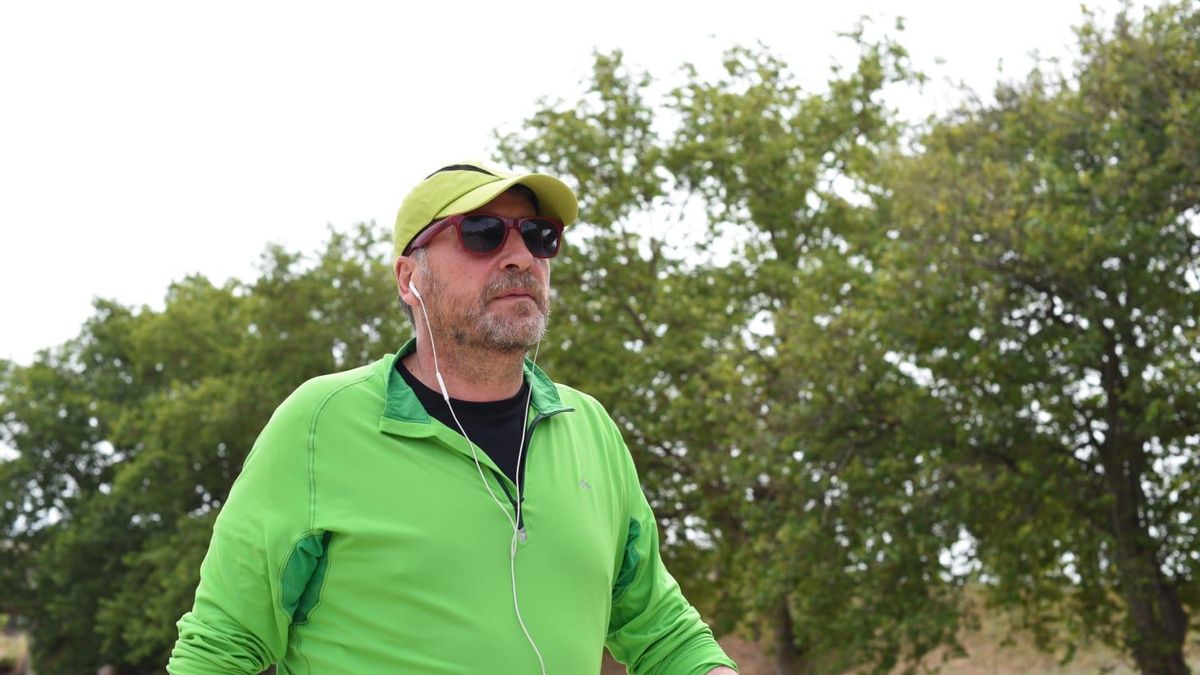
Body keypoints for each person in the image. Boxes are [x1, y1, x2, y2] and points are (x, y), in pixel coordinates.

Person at [168, 160, 738, 674]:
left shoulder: (589, 427)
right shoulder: (319, 422)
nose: (521, 257)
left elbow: (663, 634)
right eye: (483, 234)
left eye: (538, 237)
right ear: (408, 278)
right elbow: (220, 648)